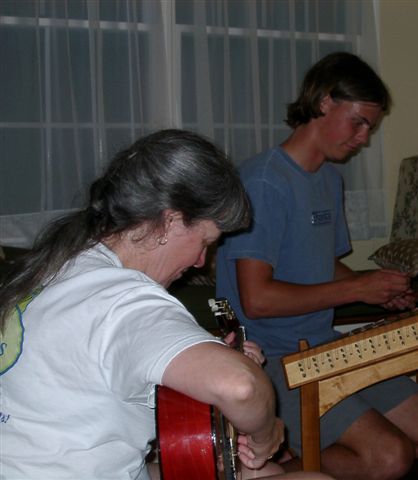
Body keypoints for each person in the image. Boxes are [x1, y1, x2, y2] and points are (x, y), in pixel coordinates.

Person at [0, 129, 332, 480]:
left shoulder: (58, 266)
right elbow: (240, 386)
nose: (202, 261)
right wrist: (267, 434)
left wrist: (208, 353)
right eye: (205, 241)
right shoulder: (124, 298)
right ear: (170, 221)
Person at [215, 52, 418, 479]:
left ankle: (286, 464)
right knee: (390, 456)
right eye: (359, 122)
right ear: (323, 103)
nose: (364, 137)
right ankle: (266, 470)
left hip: (326, 348)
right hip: (272, 361)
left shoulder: (328, 179)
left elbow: (323, 265)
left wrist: (376, 286)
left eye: (370, 126)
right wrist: (357, 290)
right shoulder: (263, 183)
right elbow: (256, 300)